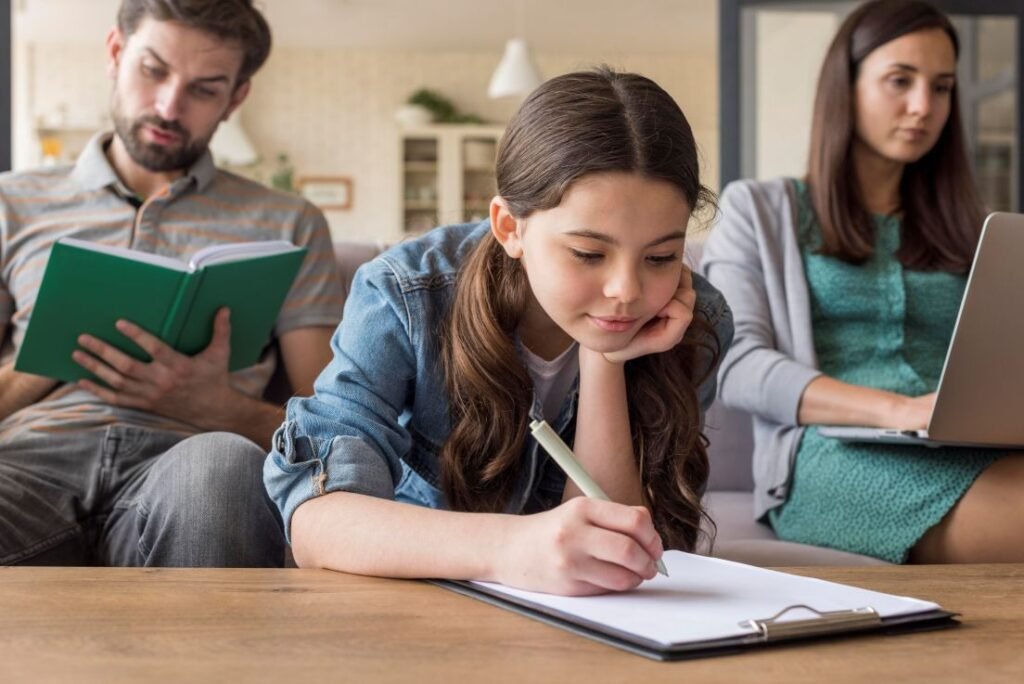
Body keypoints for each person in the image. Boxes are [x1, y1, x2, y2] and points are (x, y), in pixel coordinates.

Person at [262, 68, 733, 596]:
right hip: (421, 597)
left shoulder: (693, 319)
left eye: (661, 256)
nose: (626, 289)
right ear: (510, 227)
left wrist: (606, 360)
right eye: (588, 254)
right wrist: (512, 548)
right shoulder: (405, 294)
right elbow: (318, 521)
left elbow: (615, 555)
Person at [0, 0, 345, 567]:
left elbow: (333, 426)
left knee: (222, 469)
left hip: (187, 459)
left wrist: (220, 406)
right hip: (32, 457)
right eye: (152, 70)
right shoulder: (14, 201)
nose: (168, 105)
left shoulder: (289, 222)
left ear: (235, 99)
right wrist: (48, 355)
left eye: (204, 89)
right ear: (115, 53)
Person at [702, 0, 1024, 564]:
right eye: (900, 80)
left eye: (943, 87)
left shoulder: (972, 229)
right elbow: (736, 364)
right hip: (828, 453)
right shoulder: (758, 210)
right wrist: (897, 411)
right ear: (844, 87)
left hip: (965, 443)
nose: (923, 106)